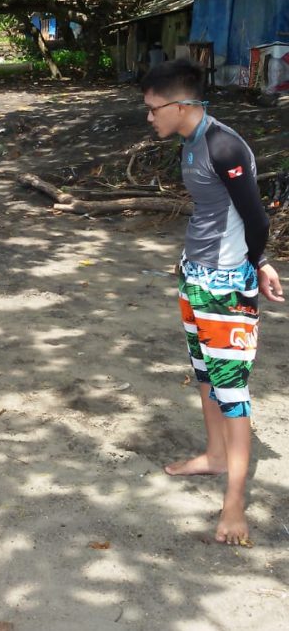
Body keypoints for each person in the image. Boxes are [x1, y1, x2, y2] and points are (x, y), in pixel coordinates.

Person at [141, 58, 284, 545]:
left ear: (180, 106)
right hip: (196, 277)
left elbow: (256, 218)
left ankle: (235, 503)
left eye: (153, 108)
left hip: (225, 285)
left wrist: (255, 265)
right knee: (205, 375)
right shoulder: (189, 141)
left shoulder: (224, 146)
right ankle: (215, 456)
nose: (149, 116)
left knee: (232, 392)